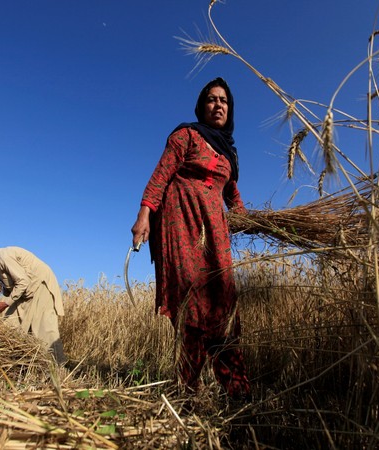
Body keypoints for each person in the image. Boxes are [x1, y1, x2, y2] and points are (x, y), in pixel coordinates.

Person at [131, 77, 250, 399]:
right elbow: (160, 176)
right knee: (191, 302)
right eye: (212, 100)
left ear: (230, 109)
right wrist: (144, 215)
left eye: (224, 101)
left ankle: (237, 389)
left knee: (223, 303)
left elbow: (234, 199)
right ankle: (189, 387)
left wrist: (261, 221)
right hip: (180, 224)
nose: (218, 105)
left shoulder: (228, 155)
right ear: (202, 106)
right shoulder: (186, 135)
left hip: (215, 234)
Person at [0, 244, 66, 364]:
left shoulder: (5, 256)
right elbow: (14, 287)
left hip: (40, 288)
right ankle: (14, 363)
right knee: (9, 326)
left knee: (44, 329)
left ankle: (57, 365)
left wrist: (5, 303)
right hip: (26, 294)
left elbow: (23, 281)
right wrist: (0, 289)